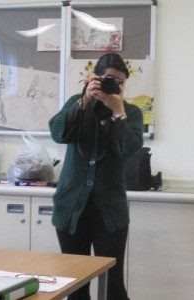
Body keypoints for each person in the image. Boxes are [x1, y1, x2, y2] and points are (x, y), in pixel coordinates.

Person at [49, 52, 143, 300]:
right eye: (109, 79)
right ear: (94, 79)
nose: (115, 86)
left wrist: (118, 111)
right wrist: (82, 101)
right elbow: (58, 133)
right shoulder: (76, 103)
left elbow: (130, 149)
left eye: (120, 82)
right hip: (71, 209)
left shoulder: (130, 112)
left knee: (113, 287)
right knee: (75, 287)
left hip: (110, 213)